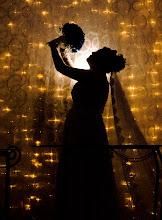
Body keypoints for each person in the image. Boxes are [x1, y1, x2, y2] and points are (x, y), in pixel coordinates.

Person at [47, 36, 126, 220]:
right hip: (85, 125)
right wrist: (62, 52)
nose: (91, 53)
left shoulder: (94, 77)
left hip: (84, 127)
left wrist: (52, 47)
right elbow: (72, 70)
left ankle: (79, 210)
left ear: (99, 61)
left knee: (80, 167)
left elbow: (62, 69)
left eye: (95, 53)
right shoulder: (96, 77)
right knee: (85, 168)